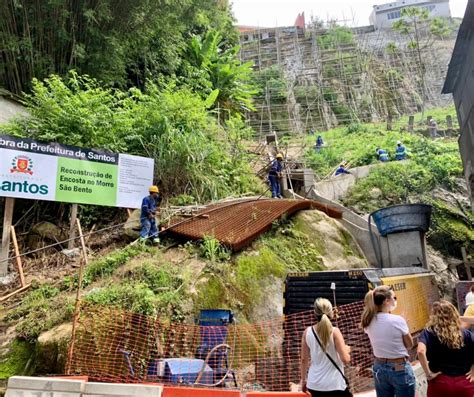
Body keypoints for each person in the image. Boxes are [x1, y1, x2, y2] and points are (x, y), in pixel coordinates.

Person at [361, 286, 415, 397]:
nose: (395, 300)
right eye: (394, 298)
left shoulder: (368, 321)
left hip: (379, 367)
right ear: (386, 301)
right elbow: (409, 345)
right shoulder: (398, 320)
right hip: (399, 367)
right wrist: (404, 324)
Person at [417, 300, 474, 397]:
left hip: (439, 382)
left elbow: (421, 351)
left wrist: (428, 374)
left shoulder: (428, 332)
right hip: (465, 382)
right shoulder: (466, 334)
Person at [300, 298, 351, 397]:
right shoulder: (335, 332)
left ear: (315, 313)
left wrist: (303, 380)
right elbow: (345, 359)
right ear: (331, 312)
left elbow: (303, 359)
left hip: (314, 383)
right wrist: (347, 350)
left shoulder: (307, 332)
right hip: (334, 384)